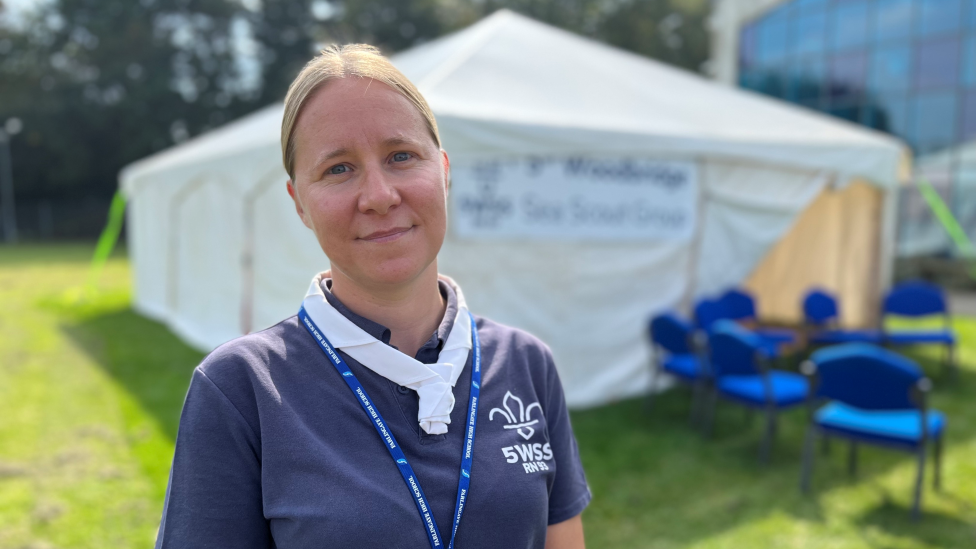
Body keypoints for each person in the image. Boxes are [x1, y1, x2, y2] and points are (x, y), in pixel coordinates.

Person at [155, 44, 590, 549]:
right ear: (299, 203)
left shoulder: (525, 364)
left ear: (444, 171)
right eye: (338, 169)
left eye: (401, 156)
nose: (380, 195)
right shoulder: (241, 389)